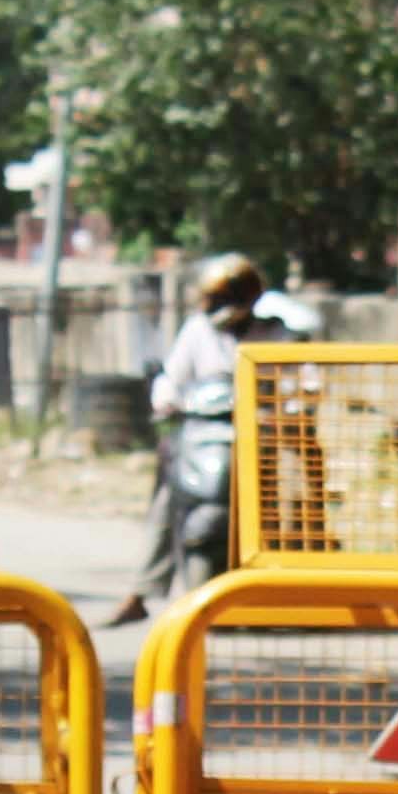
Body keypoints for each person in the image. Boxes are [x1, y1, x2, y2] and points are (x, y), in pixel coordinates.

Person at [111, 253, 263, 626]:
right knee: (168, 495)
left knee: (297, 490)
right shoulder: (198, 331)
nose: (213, 307)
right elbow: (171, 377)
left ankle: (301, 581)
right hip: (203, 433)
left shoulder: (275, 333)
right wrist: (166, 401)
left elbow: (298, 377)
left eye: (222, 298)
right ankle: (140, 592)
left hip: (259, 440)